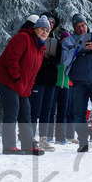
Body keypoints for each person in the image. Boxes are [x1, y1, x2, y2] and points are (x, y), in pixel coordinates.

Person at [0, 14, 48, 155]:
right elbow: (11, 60)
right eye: (42, 29)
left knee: (26, 112)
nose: (44, 32)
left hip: (21, 83)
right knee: (13, 109)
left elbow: (33, 72)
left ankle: (28, 146)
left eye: (47, 30)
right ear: (35, 28)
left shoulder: (40, 48)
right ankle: (9, 146)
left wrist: (27, 86)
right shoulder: (23, 38)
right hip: (7, 78)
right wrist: (17, 80)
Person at [61, 14, 92, 152]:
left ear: (87, 24)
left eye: (83, 25)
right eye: (78, 27)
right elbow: (64, 61)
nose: (82, 28)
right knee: (79, 114)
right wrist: (76, 48)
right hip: (78, 81)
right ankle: (83, 142)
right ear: (74, 28)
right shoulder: (68, 42)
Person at [31, 12, 60, 150]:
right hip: (38, 77)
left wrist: (49, 59)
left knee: (47, 110)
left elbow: (58, 59)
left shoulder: (56, 41)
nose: (51, 24)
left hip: (51, 80)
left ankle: (44, 138)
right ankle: (30, 137)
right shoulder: (35, 37)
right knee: (35, 109)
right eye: (48, 21)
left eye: (53, 23)